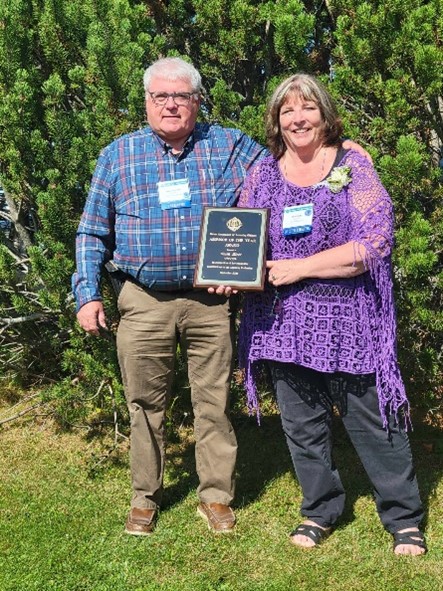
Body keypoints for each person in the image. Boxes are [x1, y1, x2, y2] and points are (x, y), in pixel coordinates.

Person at [72, 57, 368, 536]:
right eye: (161, 96)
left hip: (212, 300)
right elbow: (90, 233)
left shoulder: (230, 146)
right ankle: (144, 498)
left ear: (196, 101)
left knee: (213, 402)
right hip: (143, 299)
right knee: (144, 403)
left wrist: (343, 149)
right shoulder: (118, 156)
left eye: (181, 96)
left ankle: (215, 497)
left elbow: (292, 159)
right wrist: (87, 294)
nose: (171, 105)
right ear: (147, 102)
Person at [237, 73, 427, 555]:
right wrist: (232, 273)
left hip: (350, 321)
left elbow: (375, 242)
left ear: (324, 115)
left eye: (308, 109)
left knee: (374, 420)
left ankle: (403, 516)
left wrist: (300, 268)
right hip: (280, 324)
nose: (298, 119)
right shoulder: (262, 173)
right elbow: (243, 245)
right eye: (287, 111)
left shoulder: (353, 163)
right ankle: (320, 508)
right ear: (276, 122)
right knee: (302, 425)